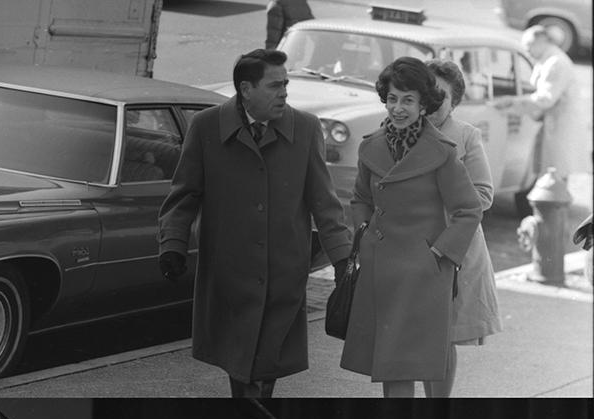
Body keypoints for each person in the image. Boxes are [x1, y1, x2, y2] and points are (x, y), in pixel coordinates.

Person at [158, 48, 351, 398]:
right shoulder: (206, 127)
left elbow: (325, 202)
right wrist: (172, 244)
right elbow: (184, 194)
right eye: (275, 85)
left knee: (263, 369)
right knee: (241, 366)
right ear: (246, 89)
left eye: (286, 84)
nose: (285, 93)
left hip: (283, 273)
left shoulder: (306, 129)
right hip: (228, 274)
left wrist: (342, 259)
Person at [339, 58, 483, 398]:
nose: (398, 108)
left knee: (408, 362)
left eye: (407, 100)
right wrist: (365, 235)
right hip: (381, 270)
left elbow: (468, 209)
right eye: (392, 99)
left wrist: (437, 253)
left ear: (423, 105)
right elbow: (360, 198)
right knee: (390, 365)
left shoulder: (442, 153)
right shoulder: (370, 146)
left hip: (423, 275)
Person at [425, 59, 502, 398]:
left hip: (450, 250)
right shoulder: (395, 128)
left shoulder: (465, 135)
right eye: (423, 93)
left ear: (454, 102)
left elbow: (484, 195)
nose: (429, 103)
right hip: (405, 247)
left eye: (439, 97)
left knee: (439, 337)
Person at [495, 25, 578, 183]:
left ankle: (554, 206)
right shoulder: (545, 60)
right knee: (546, 171)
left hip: (559, 126)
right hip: (549, 123)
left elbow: (545, 98)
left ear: (541, 41)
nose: (527, 51)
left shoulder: (556, 62)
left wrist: (512, 102)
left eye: (528, 47)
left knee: (555, 173)